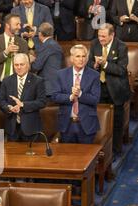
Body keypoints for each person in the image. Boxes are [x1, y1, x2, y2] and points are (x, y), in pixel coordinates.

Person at [88, 23, 130, 155]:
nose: (101, 39)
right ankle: (101, 151)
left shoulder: (121, 46)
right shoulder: (94, 44)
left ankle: (116, 151)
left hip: (115, 90)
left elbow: (121, 70)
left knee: (116, 123)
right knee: (99, 120)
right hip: (98, 89)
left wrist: (105, 64)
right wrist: (94, 65)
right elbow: (88, 63)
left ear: (112, 35)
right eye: (99, 35)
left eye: (104, 36)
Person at [51, 44, 100, 144]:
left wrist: (80, 94)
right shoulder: (60, 74)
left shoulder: (94, 75)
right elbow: (55, 96)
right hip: (67, 124)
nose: (81, 59)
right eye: (78, 56)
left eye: (83, 56)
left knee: (86, 157)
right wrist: (70, 97)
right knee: (67, 157)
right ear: (71, 58)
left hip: (87, 124)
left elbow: (95, 99)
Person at [0, 53, 46, 141]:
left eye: (21, 64)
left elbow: (42, 102)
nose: (19, 67)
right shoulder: (6, 81)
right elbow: (1, 100)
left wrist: (23, 104)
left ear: (27, 65)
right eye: (16, 65)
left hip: (31, 128)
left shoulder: (38, 81)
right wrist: (9, 107)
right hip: (12, 128)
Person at [0, 13, 28, 98]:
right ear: (7, 25)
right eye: (16, 24)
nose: (19, 27)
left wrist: (18, 57)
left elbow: (27, 66)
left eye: (19, 24)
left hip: (16, 84)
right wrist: (5, 52)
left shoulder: (23, 43)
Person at [29, 22, 62, 99]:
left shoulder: (47, 46)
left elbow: (36, 66)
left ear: (40, 33)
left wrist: (30, 61)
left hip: (49, 87)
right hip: (54, 85)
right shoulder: (54, 44)